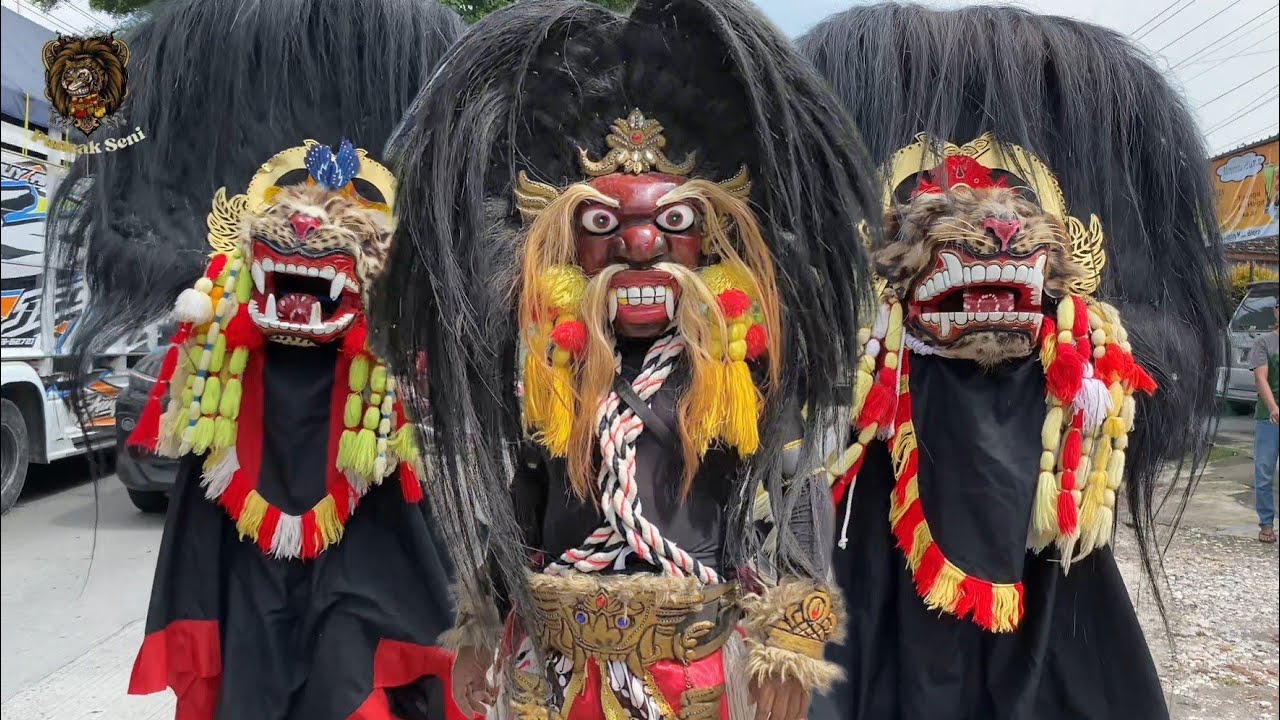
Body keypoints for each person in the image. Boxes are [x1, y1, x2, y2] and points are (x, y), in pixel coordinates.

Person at [367, 0, 882, 717]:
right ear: (563, 238)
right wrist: (481, 628)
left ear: (711, 234)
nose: (640, 246)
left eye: (672, 222)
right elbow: (520, 504)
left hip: (695, 669)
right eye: (604, 224)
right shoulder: (546, 367)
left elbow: (796, 499)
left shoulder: (745, 370)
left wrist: (791, 643)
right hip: (560, 671)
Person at [799, 5, 1227, 720]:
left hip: (1042, 546)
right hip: (873, 547)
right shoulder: (873, 353)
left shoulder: (1080, 346)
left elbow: (1160, 357)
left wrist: (1086, 356)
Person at [46, 1, 467, 717]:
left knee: (351, 675)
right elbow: (177, 435)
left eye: (336, 217)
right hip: (249, 559)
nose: (308, 227)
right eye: (288, 216)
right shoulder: (219, 338)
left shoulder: (392, 351)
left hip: (368, 545)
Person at [1251, 304, 1279, 543]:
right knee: (1264, 472)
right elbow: (1261, 378)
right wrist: (1273, 408)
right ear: (1277, 312)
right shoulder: (1264, 343)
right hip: (1268, 418)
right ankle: (1267, 524)